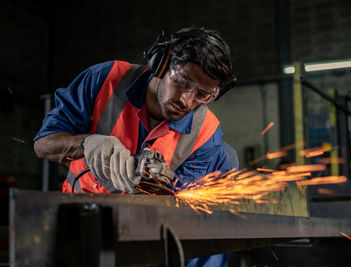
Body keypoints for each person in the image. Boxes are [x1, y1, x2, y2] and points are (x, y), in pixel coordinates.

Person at [34, 27, 238, 266]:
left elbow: (187, 213)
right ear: (161, 64)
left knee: (227, 158)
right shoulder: (105, 79)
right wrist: (86, 143)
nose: (187, 101)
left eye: (203, 95)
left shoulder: (206, 132)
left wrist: (157, 185)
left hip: (145, 232)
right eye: (182, 82)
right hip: (82, 219)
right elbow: (43, 145)